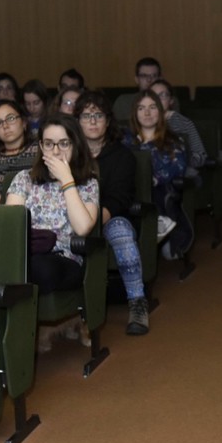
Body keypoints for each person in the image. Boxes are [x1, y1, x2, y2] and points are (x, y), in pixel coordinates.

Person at [5, 114, 99, 348]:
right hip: (27, 254)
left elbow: (83, 227)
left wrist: (67, 181)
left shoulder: (88, 183)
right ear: (40, 146)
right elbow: (11, 227)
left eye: (63, 143)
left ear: (75, 145)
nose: (56, 151)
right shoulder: (24, 179)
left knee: (40, 269)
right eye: (49, 144)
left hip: (65, 259)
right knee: (23, 265)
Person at [72, 92, 154, 335]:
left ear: (108, 121)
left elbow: (119, 199)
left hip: (108, 218)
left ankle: (137, 303)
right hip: (73, 219)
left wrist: (92, 225)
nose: (93, 121)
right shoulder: (69, 155)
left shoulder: (122, 156)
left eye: (98, 115)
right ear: (77, 121)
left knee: (121, 231)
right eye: (87, 116)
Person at [125, 89, 194, 262]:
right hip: (129, 192)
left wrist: (151, 178)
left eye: (152, 107)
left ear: (160, 111)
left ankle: (161, 224)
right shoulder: (125, 140)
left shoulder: (173, 140)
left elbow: (177, 168)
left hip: (158, 192)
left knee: (169, 255)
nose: (147, 113)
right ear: (135, 113)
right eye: (141, 108)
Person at [149, 79, 208, 179]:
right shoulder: (142, 120)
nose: (157, 100)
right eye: (153, 96)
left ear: (171, 100)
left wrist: (180, 160)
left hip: (175, 175)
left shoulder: (183, 123)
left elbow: (201, 156)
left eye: (162, 95)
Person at [113, 57, 162, 123]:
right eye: (144, 76)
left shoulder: (168, 100)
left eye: (153, 76)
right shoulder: (123, 102)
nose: (149, 80)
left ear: (159, 79)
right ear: (136, 79)